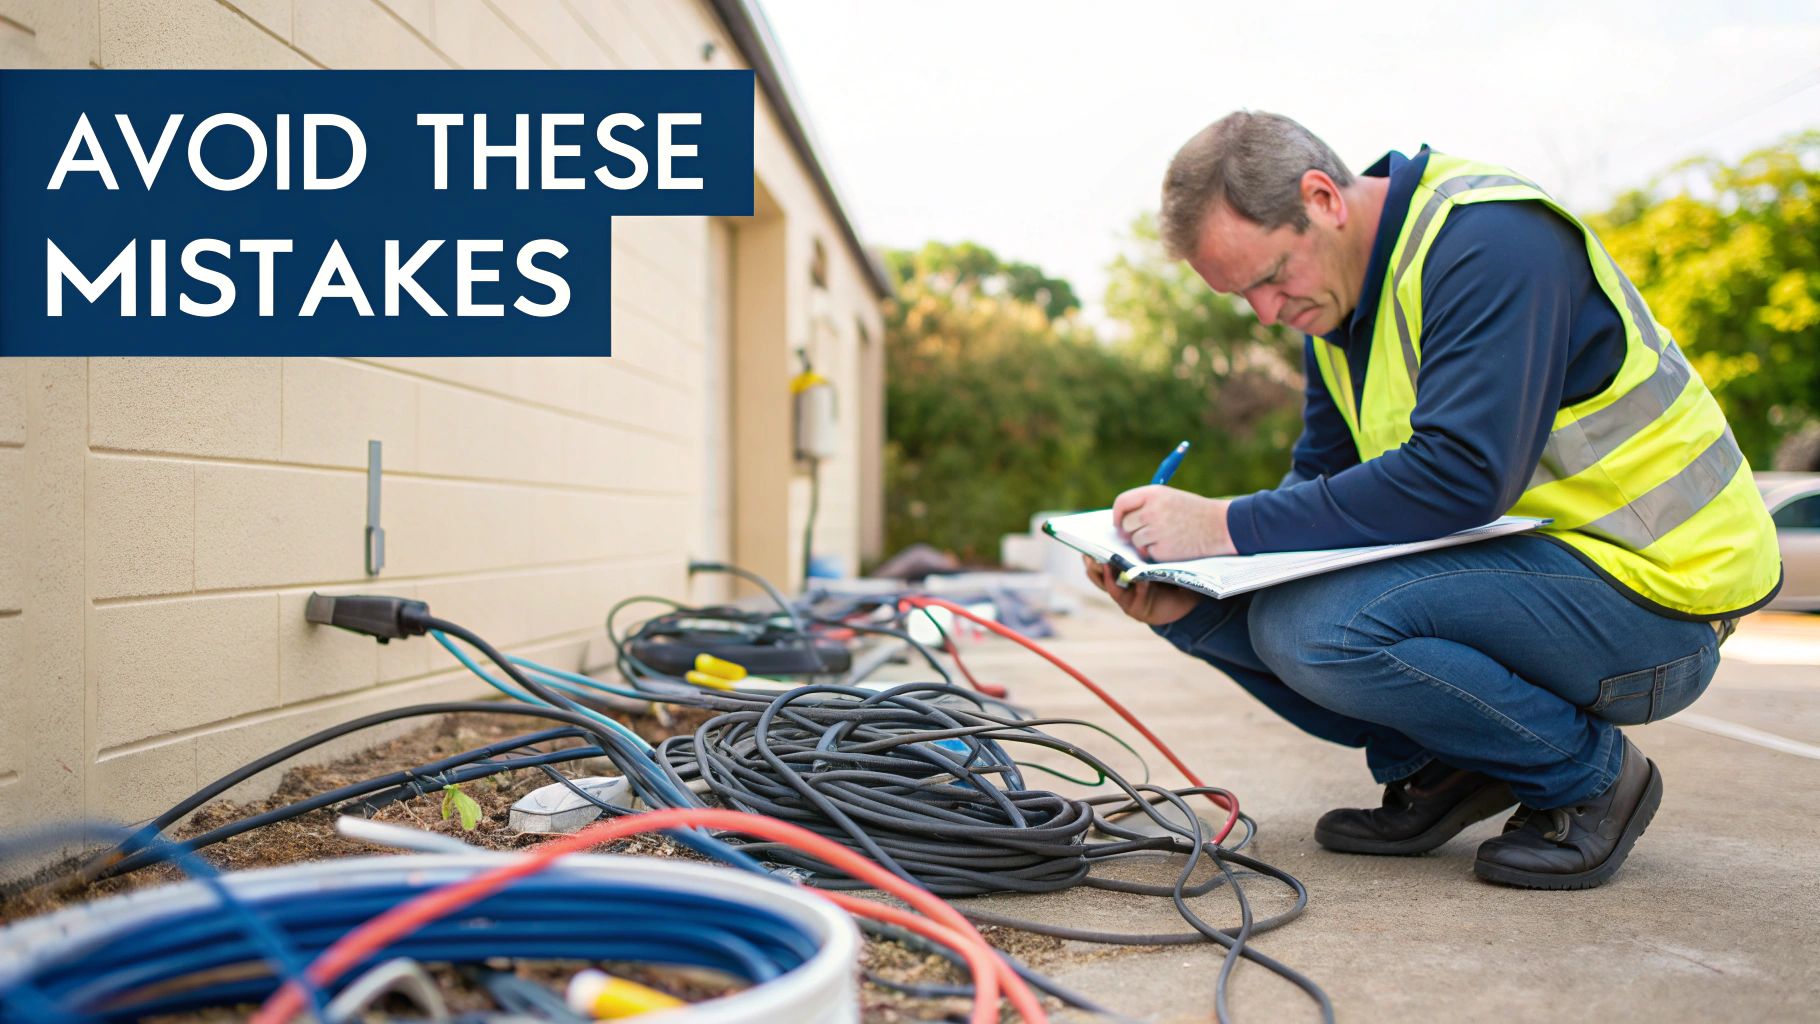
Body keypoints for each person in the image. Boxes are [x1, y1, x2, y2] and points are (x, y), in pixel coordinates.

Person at [1086, 111, 1783, 889]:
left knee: (1318, 627)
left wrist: (1222, 523)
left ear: (1322, 198)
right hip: (1552, 584)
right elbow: (1317, 489)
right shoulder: (1340, 309)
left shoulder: (1490, 242)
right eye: (1241, 296)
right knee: (1270, 603)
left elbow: (1462, 475)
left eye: (1271, 277)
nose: (1267, 314)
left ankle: (1592, 779)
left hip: (1660, 598)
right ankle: (1451, 766)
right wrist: (1192, 602)